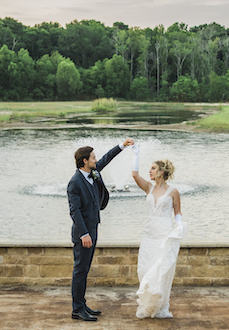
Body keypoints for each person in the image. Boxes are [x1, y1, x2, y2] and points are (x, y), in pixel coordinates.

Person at [67, 137, 134, 322]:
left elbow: (107, 158)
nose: (96, 160)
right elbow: (75, 211)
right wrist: (84, 234)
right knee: (80, 270)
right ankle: (77, 309)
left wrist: (122, 145)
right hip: (84, 234)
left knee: (85, 269)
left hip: (93, 228)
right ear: (84, 161)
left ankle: (81, 304)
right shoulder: (74, 183)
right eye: (93, 158)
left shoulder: (94, 172)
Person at [130, 144, 187, 319]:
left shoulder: (173, 191)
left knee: (161, 270)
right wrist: (136, 155)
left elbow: (177, 211)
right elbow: (134, 175)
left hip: (164, 234)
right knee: (145, 269)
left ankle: (160, 306)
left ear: (162, 172)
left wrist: (179, 225)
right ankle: (148, 304)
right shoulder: (149, 187)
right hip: (149, 234)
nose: (150, 171)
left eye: (153, 168)